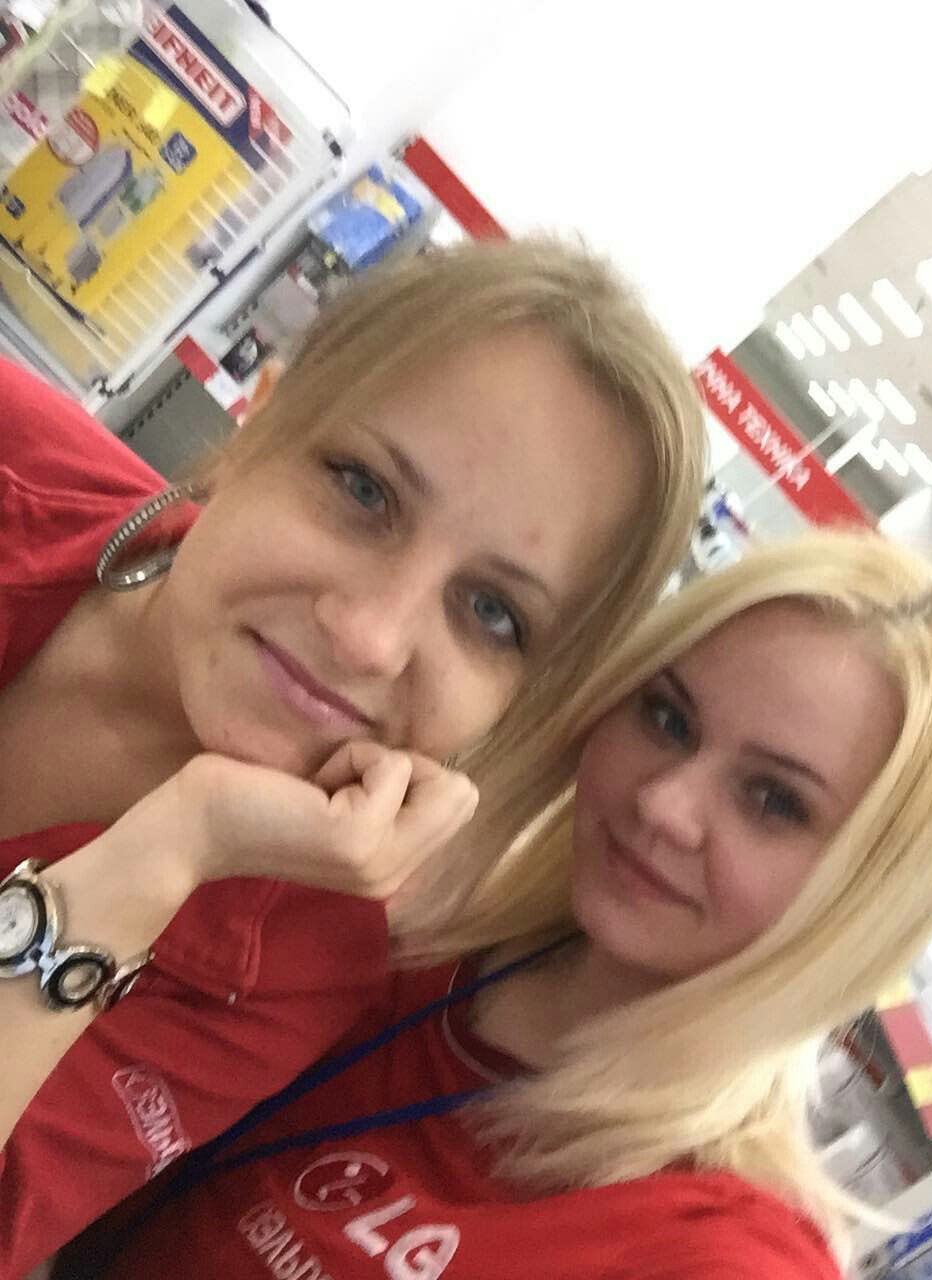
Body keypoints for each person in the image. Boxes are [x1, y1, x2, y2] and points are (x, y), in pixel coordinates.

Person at [0, 235, 705, 1275]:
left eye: (493, 613)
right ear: (261, 418)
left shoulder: (285, 965)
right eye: (364, 490)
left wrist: (159, 857)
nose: (371, 637)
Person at [60, 529, 932, 1280]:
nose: (664, 805)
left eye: (774, 802)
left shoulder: (717, 1256)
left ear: (868, 896)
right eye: (668, 719)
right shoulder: (389, 934)